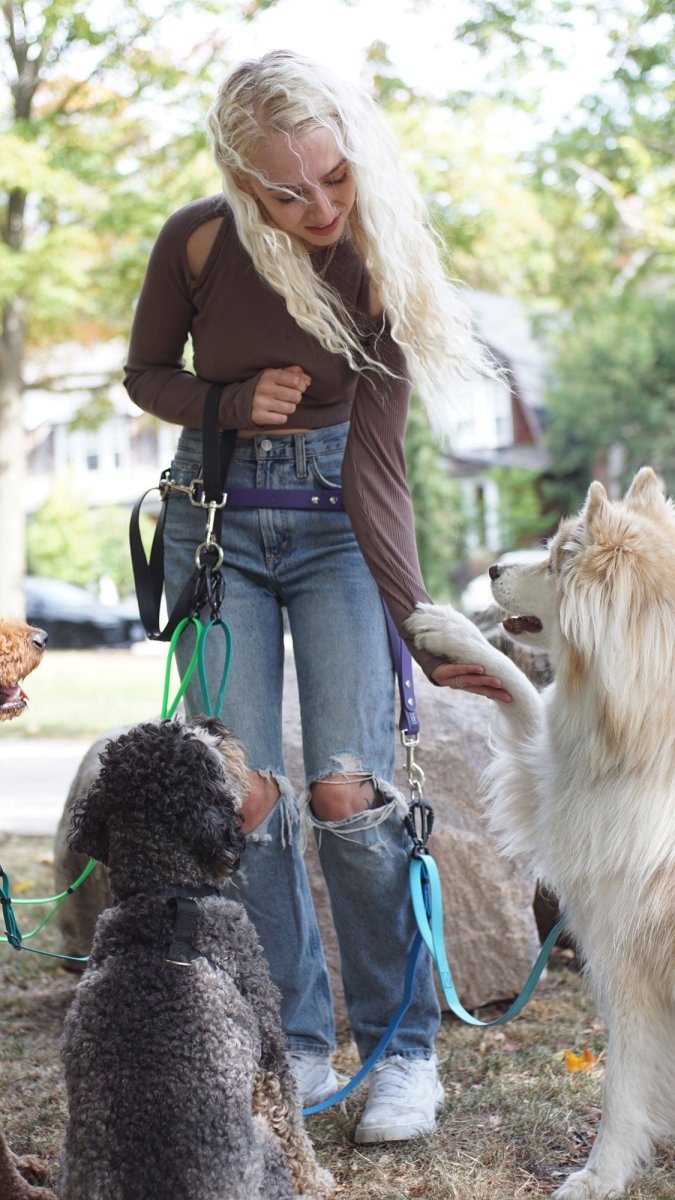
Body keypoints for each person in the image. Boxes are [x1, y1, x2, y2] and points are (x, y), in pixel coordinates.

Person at [124, 49, 509, 1144]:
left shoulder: (380, 257)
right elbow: (146, 374)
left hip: (341, 528)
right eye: (289, 191)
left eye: (333, 176)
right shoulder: (196, 240)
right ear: (245, 183)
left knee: (350, 794)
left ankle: (403, 1046)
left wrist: (416, 617)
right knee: (243, 801)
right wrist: (231, 399)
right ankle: (289, 1038)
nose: (320, 205)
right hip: (217, 533)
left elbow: (378, 462)